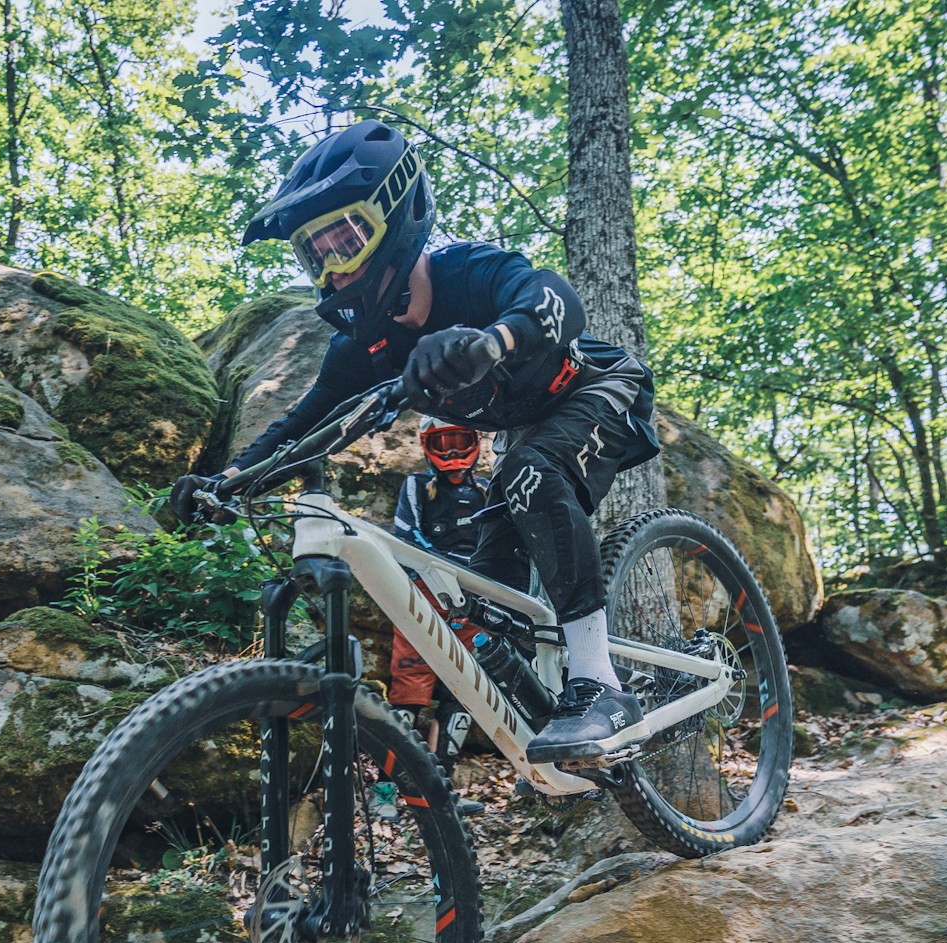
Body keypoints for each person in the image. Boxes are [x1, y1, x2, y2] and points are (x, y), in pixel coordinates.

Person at [173, 120, 662, 763]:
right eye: (313, 254)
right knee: (486, 604)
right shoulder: (361, 350)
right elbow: (300, 426)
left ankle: (600, 687)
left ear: (395, 215)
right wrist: (226, 479)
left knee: (529, 476)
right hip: (527, 426)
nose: (332, 267)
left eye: (345, 239)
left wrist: (489, 342)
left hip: (594, 384)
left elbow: (559, 299)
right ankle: (549, 724)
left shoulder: (468, 272)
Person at [388, 422, 491, 780]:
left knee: (461, 692)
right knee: (408, 692)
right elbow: (404, 541)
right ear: (427, 445)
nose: (451, 452)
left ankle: (440, 788)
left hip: (476, 604)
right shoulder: (416, 487)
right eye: (442, 443)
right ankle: (385, 793)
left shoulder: (489, 491)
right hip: (423, 599)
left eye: (459, 441)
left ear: (475, 441)